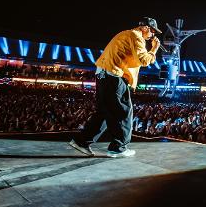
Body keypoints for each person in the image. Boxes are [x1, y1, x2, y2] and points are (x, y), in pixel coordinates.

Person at [69, 17, 162, 157]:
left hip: (103, 74)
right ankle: (118, 148)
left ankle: (82, 141)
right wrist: (154, 49)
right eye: (153, 32)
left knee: (105, 111)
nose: (152, 36)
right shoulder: (137, 37)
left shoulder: (125, 33)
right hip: (113, 75)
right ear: (146, 28)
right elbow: (143, 60)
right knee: (124, 111)